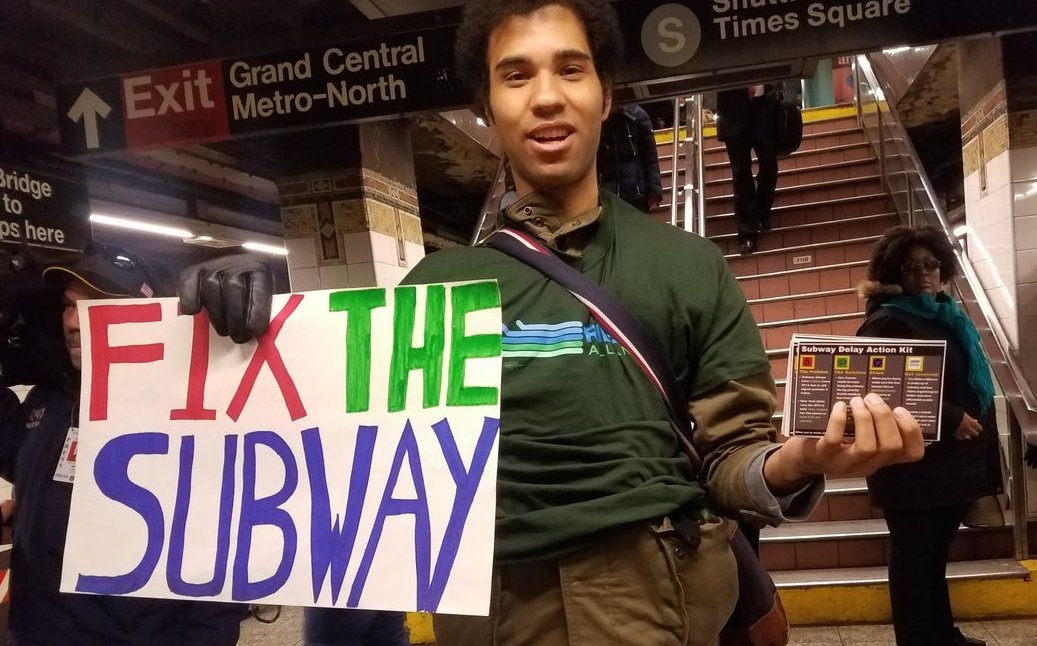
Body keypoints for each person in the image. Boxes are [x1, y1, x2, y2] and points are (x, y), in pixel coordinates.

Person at [178, 2, 924, 644]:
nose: (545, 96)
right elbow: (345, 459)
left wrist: (798, 462)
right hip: (493, 608)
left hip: (656, 598)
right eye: (516, 74)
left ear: (606, 97)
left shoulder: (688, 265)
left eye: (570, 70)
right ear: (486, 106)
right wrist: (239, 336)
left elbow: (731, 458)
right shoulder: (435, 287)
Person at [0, 243, 245, 646]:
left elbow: (221, 559)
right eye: (68, 305)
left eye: (97, 306)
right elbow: (16, 457)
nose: (75, 322)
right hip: (31, 633)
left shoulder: (188, 416)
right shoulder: (50, 400)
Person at [856, 225, 1000, 646]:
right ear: (893, 272)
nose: (924, 275)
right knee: (915, 561)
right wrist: (951, 416)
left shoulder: (942, 312)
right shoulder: (887, 320)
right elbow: (877, 386)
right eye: (911, 267)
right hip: (910, 471)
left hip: (945, 468)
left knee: (934, 557)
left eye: (931, 265)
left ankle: (942, 635)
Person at [715, 85, 780, 255]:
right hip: (733, 111)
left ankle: (762, 212)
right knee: (741, 173)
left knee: (769, 164)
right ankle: (747, 232)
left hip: (763, 107)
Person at [597, 103, 663, 213]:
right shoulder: (599, 121)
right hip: (609, 197)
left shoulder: (637, 116)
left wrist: (655, 192)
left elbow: (650, 158)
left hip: (637, 195)